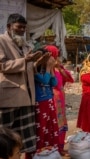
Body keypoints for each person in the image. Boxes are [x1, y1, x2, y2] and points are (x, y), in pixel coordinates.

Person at [0, 13, 50, 155]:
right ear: (9, 27)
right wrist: (26, 60)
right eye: (19, 27)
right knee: (5, 140)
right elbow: (2, 66)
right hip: (8, 99)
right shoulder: (1, 41)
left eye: (24, 28)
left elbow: (28, 69)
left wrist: (38, 63)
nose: (22, 30)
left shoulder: (25, 44)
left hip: (26, 98)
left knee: (21, 141)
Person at [46, 45, 74, 156]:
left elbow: (70, 79)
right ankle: (54, 149)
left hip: (61, 100)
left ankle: (60, 147)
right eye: (56, 56)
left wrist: (60, 68)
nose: (57, 59)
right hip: (52, 99)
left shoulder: (58, 68)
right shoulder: (47, 69)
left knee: (62, 124)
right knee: (54, 125)